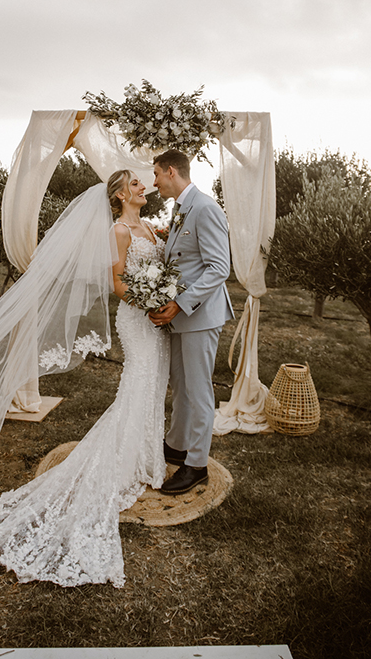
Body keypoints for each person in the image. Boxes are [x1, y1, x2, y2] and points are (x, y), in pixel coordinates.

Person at [0, 170, 170, 587]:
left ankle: (144, 459)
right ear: (118, 194)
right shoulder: (118, 231)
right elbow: (116, 283)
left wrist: (162, 294)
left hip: (156, 320)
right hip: (137, 317)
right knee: (138, 383)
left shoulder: (147, 225)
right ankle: (120, 464)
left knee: (153, 387)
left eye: (142, 184)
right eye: (134, 184)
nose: (142, 187)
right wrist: (150, 301)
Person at [149, 149, 233, 495]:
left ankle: (196, 465)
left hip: (199, 316)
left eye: (156, 174)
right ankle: (177, 444)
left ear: (171, 172)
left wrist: (179, 304)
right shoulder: (183, 208)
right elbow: (189, 256)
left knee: (198, 392)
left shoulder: (206, 208)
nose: (153, 182)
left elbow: (218, 267)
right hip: (183, 317)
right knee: (181, 386)